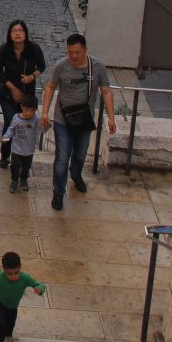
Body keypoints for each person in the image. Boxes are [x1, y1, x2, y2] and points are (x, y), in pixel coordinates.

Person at [41, 33, 115, 211]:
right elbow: (51, 87)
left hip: (84, 119)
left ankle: (75, 174)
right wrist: (44, 112)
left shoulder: (97, 67)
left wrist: (111, 117)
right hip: (62, 119)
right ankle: (58, 192)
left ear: (85, 50)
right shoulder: (61, 66)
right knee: (62, 157)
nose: (73, 56)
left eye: (77, 52)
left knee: (80, 154)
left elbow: (106, 91)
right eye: (70, 52)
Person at [0, 20, 45, 169]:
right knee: (11, 122)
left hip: (27, 96)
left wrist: (32, 77)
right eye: (14, 31)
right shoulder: (4, 50)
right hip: (8, 95)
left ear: (25, 33)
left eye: (20, 30)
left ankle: (22, 155)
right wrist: (12, 88)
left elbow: (42, 66)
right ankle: (5, 155)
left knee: (25, 125)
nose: (17, 33)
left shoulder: (34, 49)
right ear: (9, 34)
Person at [0, 251, 45, 342]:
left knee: (10, 323)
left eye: (16, 273)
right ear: (4, 269)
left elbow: (39, 285)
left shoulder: (25, 278)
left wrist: (40, 289)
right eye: (9, 274)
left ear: (20, 267)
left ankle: (7, 336)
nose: (13, 276)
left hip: (13, 306)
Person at [2, 95, 41, 192]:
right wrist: (6, 136)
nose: (29, 113)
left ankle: (23, 180)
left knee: (26, 167)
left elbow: (42, 129)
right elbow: (11, 129)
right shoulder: (16, 118)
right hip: (16, 149)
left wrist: (46, 125)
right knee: (15, 166)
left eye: (31, 111)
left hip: (29, 150)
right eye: (26, 110)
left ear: (35, 110)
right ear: (21, 107)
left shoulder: (36, 119)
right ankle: (14, 180)